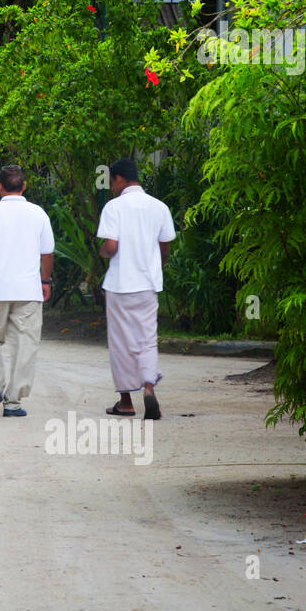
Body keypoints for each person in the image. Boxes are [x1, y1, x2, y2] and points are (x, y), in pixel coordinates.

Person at [0, 164, 54, 418]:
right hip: (28, 290)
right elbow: (46, 253)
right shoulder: (39, 214)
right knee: (26, 344)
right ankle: (13, 403)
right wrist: (45, 282)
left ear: (0, 186)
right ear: (24, 186)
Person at [97, 157, 175, 419]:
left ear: (119, 179)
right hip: (147, 285)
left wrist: (102, 253)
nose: (111, 187)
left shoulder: (113, 207)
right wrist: (155, 267)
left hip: (120, 285)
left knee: (121, 343)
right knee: (146, 340)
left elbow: (111, 247)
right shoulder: (159, 207)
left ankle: (126, 402)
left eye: (112, 182)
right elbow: (164, 249)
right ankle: (149, 390)